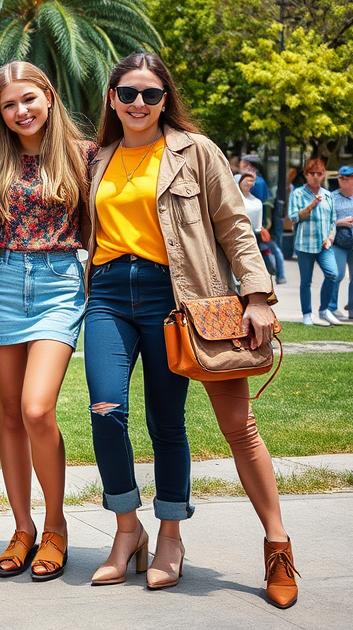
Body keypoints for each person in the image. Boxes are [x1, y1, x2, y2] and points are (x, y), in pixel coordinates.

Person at [84, 52, 297, 609]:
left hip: (180, 299)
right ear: (112, 99)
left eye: (150, 95)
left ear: (165, 99)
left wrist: (256, 297)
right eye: (127, 93)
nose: (138, 104)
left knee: (180, 422)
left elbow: (233, 224)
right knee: (106, 412)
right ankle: (128, 530)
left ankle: (249, 542)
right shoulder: (97, 158)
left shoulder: (194, 151)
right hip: (106, 293)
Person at [0, 62, 95, 581]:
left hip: (58, 282)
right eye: (8, 105)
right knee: (9, 412)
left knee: (36, 408)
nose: (20, 111)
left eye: (28, 99)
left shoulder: (85, 155)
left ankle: (55, 526)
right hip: (1, 283)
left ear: (48, 96)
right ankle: (22, 528)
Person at [288, 157, 339, 326]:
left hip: (324, 245)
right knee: (306, 282)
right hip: (305, 244)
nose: (316, 176)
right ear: (306, 175)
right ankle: (307, 314)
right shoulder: (297, 193)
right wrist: (311, 206)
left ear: (323, 176)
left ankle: (324, 310)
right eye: (312, 173)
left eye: (319, 173)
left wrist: (330, 237)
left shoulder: (328, 195)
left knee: (333, 274)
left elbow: (333, 219)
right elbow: (293, 217)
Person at [240, 154, 286, 284]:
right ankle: (279, 274)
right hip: (264, 221)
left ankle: (278, 273)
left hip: (260, 222)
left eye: (242, 165)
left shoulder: (257, 183)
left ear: (248, 166)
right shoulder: (261, 180)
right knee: (270, 247)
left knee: (268, 248)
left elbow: (259, 204)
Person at [239, 171, 277, 276]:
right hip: (237, 237)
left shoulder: (257, 202)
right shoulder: (235, 199)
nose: (249, 183)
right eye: (247, 180)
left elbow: (258, 226)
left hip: (253, 238)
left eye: (252, 181)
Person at [329, 166, 353, 320]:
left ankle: (352, 308)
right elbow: (326, 221)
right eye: (341, 177)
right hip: (339, 243)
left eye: (348, 177)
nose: (343, 180)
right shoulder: (332, 197)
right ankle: (331, 307)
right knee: (337, 274)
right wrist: (339, 222)